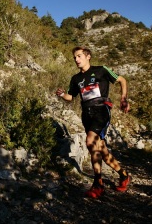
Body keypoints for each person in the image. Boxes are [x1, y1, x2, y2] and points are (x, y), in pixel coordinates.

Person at [55, 46, 131, 199]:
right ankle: (124, 176)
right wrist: (63, 94)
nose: (76, 60)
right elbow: (71, 97)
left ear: (88, 56)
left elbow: (122, 80)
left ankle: (98, 185)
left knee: (90, 142)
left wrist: (123, 99)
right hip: (86, 114)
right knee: (101, 150)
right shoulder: (75, 79)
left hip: (102, 110)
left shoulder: (101, 70)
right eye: (74, 57)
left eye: (79, 56)